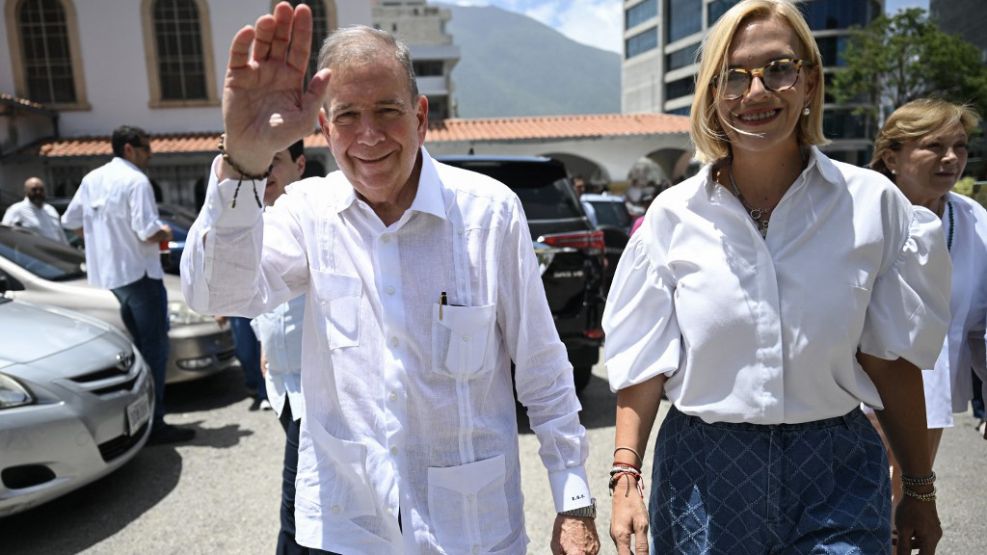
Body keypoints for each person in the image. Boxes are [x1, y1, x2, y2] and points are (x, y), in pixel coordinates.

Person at [180, 4, 599, 554]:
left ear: (421, 116)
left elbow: (541, 364)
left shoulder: (488, 213)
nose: (370, 134)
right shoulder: (307, 211)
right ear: (323, 126)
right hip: (350, 528)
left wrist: (573, 501)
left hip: (472, 531)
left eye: (387, 110)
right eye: (348, 115)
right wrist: (242, 163)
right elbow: (219, 293)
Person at [604, 1, 949, 554]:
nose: (756, 92)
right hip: (703, 473)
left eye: (779, 69)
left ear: (809, 81)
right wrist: (626, 479)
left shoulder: (873, 206)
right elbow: (644, 364)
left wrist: (919, 488)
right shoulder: (672, 218)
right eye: (733, 77)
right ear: (712, 94)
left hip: (836, 469)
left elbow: (890, 362)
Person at [868, 99, 987, 499]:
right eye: (934, 146)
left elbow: (982, 325)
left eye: (961, 146)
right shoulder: (857, 215)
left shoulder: (974, 222)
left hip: (928, 394)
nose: (951, 158)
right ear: (891, 157)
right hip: (853, 394)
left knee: (908, 505)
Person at [62, 125, 195, 445]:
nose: (150, 153)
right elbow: (147, 231)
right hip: (140, 274)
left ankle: (142, 417)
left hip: (113, 277)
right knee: (154, 351)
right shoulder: (137, 181)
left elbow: (71, 221)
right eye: (146, 148)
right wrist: (166, 231)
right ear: (129, 149)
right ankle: (155, 422)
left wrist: (104, 243)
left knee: (138, 349)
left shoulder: (92, 179)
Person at [248, 139, 310, 553]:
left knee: (295, 508)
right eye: (257, 163)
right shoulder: (255, 223)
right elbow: (260, 302)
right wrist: (263, 345)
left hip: (316, 390)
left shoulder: (316, 222)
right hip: (284, 387)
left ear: (299, 165)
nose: (264, 172)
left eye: (275, 162)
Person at [2, 177, 69, 244]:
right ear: (26, 191)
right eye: (34, 190)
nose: (38, 192)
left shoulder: (50, 209)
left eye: (41, 189)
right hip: (31, 253)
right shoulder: (16, 210)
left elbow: (61, 235)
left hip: (55, 252)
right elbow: (5, 234)